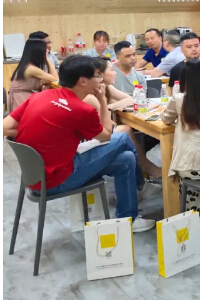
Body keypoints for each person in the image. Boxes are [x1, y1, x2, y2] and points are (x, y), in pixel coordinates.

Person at [3, 55, 155, 232]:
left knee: (126, 159)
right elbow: (106, 136)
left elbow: (5, 126)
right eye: (97, 75)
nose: (100, 80)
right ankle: (143, 184)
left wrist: (45, 133)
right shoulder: (81, 108)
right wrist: (102, 100)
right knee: (122, 138)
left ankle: (127, 219)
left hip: (35, 177)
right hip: (56, 179)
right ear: (83, 81)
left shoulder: (40, 96)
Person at [162, 60, 200, 222]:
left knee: (187, 166)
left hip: (190, 167)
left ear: (184, 79)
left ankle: (192, 216)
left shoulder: (179, 99)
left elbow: (166, 119)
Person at [83, 57, 161, 180]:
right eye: (112, 70)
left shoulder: (107, 88)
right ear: (100, 75)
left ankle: (142, 169)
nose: (115, 73)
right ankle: (145, 167)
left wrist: (109, 107)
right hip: (92, 137)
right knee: (125, 130)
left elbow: (129, 99)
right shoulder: (90, 96)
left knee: (130, 133)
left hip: (104, 130)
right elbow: (105, 126)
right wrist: (107, 108)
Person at [8, 38, 58, 112]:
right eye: (45, 49)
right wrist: (47, 59)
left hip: (24, 95)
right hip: (21, 98)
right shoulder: (31, 68)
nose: (48, 51)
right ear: (38, 51)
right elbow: (55, 78)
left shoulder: (27, 65)